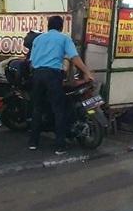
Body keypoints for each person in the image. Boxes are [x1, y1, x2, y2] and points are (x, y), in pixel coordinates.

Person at [28, 15, 94, 155]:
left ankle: (33, 143)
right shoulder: (64, 38)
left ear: (48, 26)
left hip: (37, 75)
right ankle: (60, 146)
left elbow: (32, 60)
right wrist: (87, 72)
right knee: (59, 110)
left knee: (37, 109)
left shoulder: (38, 39)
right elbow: (74, 57)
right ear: (61, 26)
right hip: (53, 75)